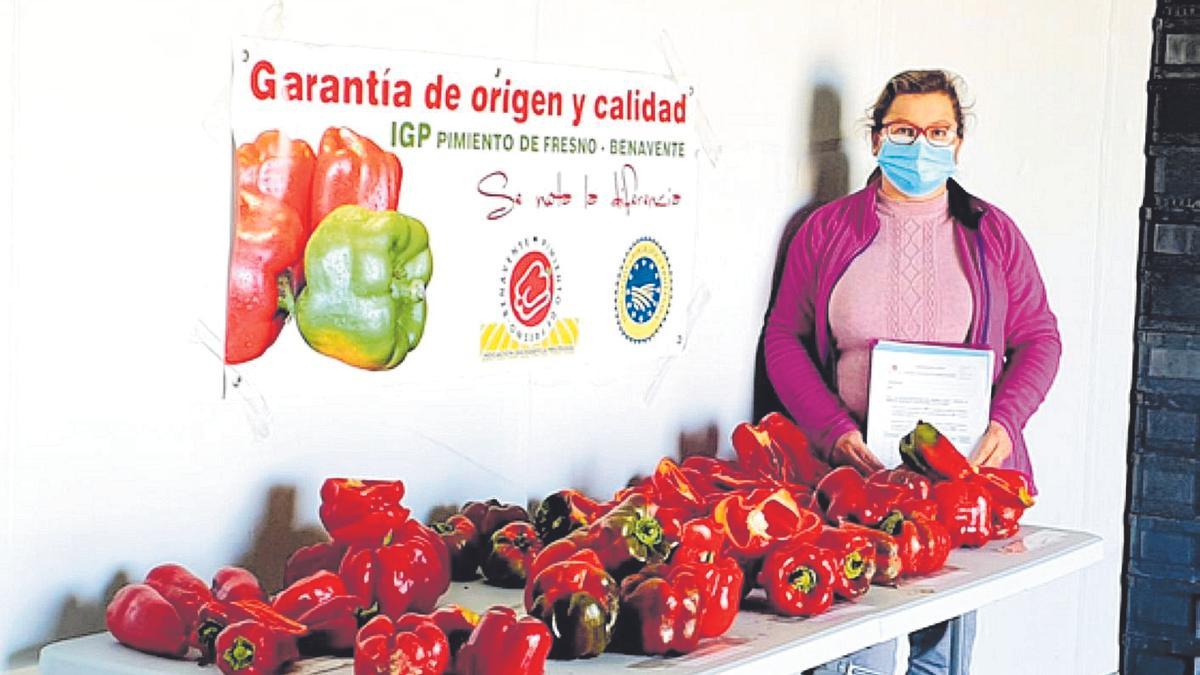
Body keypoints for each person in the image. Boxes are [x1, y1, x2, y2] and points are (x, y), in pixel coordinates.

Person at [762, 69, 1062, 674]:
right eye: (903, 130)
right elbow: (783, 339)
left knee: (941, 657)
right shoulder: (825, 231)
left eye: (938, 131)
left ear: (958, 143)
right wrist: (832, 431)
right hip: (855, 476)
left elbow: (1040, 340)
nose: (920, 146)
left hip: (960, 481)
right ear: (877, 139)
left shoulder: (993, 234)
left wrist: (1005, 424)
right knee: (853, 650)